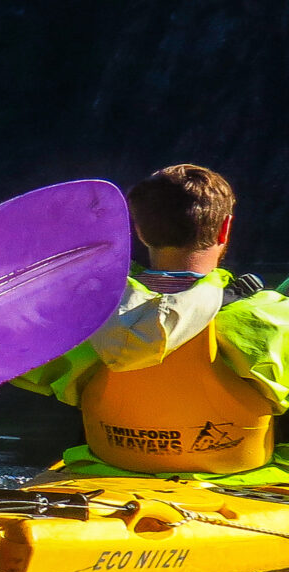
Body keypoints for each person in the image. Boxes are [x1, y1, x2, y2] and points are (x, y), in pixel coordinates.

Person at [16, 164, 289, 481]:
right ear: (224, 228)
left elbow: (8, 358)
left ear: (140, 230)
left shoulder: (83, 322)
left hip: (106, 475)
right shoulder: (266, 319)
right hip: (247, 479)